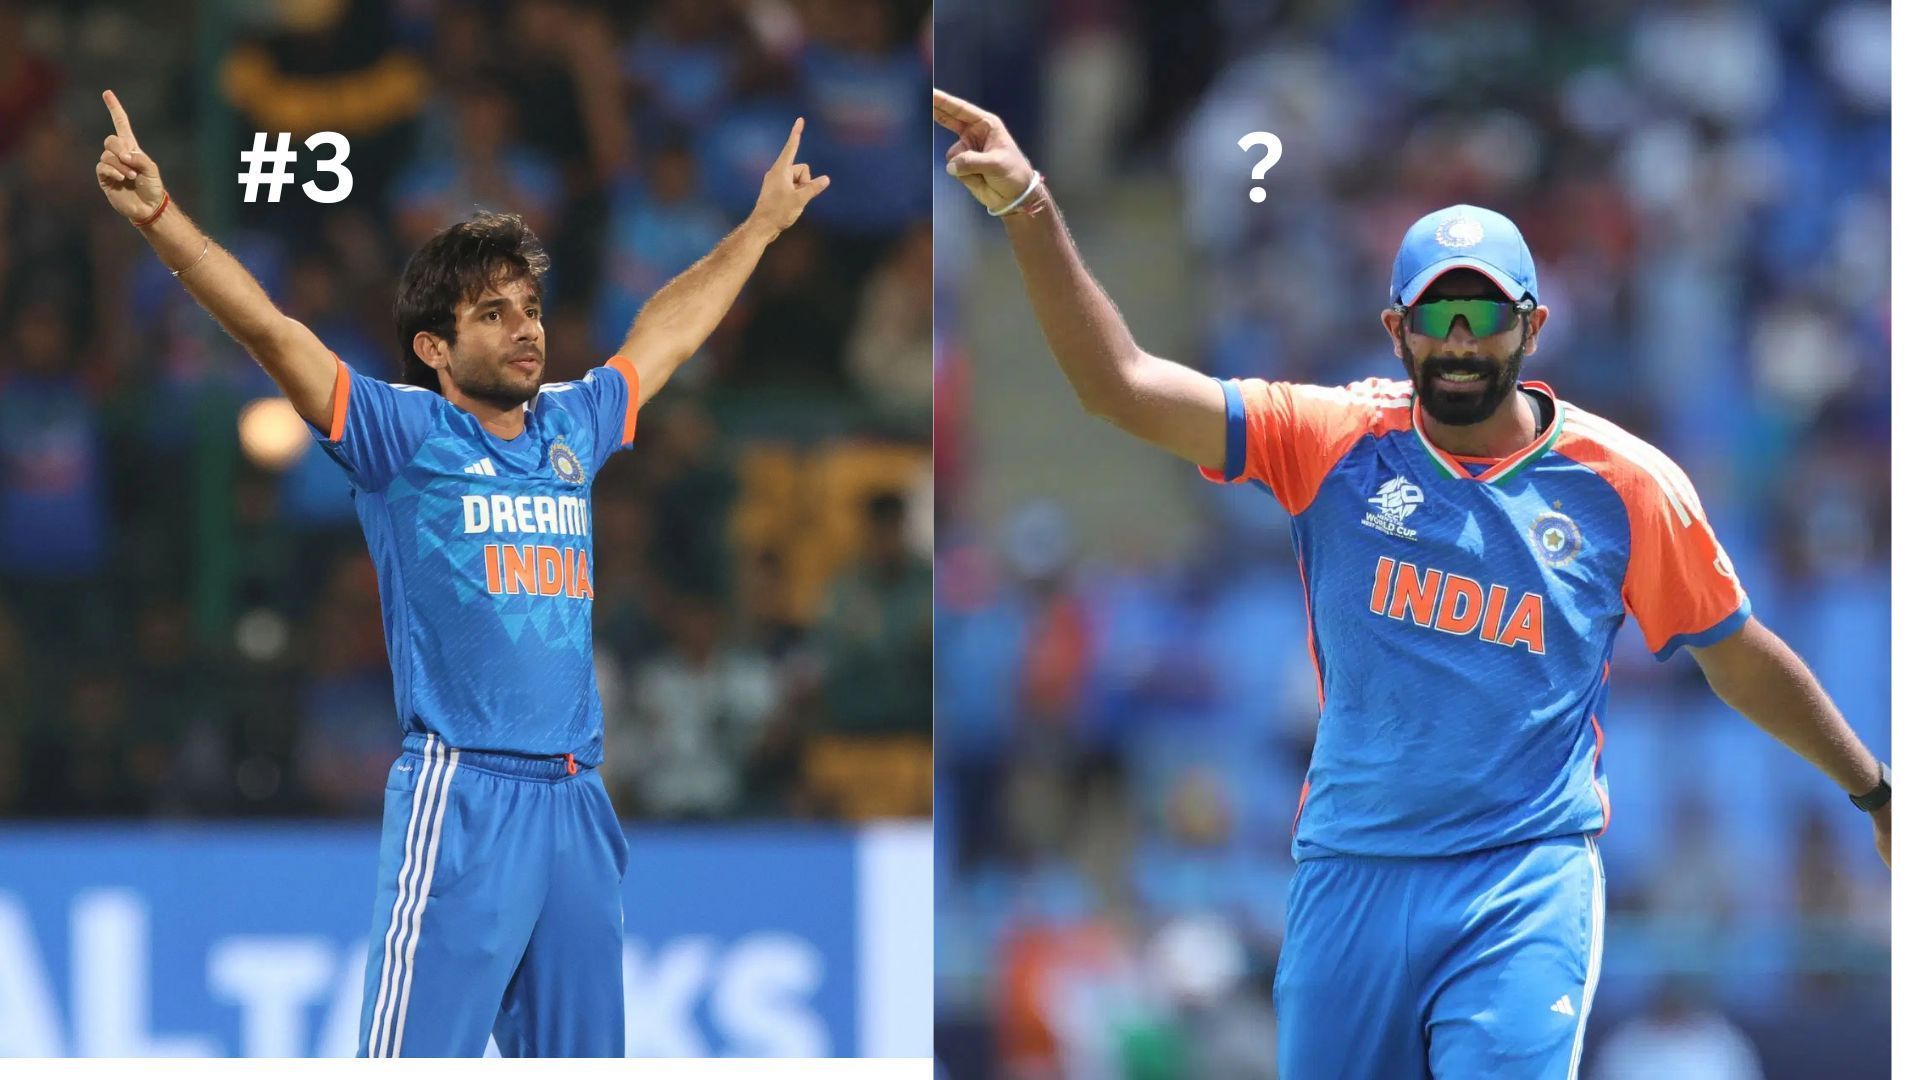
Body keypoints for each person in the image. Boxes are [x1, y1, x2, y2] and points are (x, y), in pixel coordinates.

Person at [932, 87, 1890, 1079]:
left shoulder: (1626, 486)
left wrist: (1873, 791)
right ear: (1398, 327)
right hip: (1352, 876)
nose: (1462, 340)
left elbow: (1736, 654)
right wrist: (1030, 205)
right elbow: (1119, 386)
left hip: (1523, 882)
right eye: (1439, 314)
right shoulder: (1332, 439)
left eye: (1485, 315)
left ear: (1532, 326)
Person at [95, 89, 828, 1057]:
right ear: (435, 349)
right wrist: (160, 216)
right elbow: (272, 332)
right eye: (493, 314)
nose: (526, 329)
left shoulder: (573, 422)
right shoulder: (405, 433)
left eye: (530, 308)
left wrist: (763, 226)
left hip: (579, 800)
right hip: (464, 801)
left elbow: (668, 334)